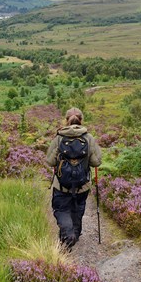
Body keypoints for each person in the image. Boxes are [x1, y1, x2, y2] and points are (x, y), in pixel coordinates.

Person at [46, 107, 101, 251]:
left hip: (61, 186)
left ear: (66, 120)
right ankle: (73, 236)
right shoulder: (88, 138)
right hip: (82, 186)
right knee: (77, 211)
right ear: (81, 120)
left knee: (62, 210)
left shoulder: (58, 138)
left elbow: (50, 161)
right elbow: (96, 162)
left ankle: (67, 235)